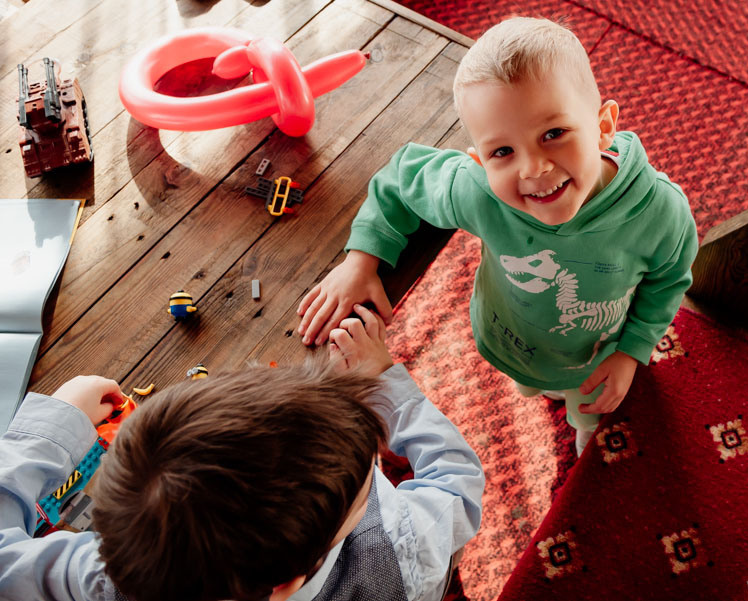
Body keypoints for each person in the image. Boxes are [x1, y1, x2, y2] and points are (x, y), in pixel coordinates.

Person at [296, 17, 698, 455]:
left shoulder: (661, 212)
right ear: (480, 162)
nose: (533, 169)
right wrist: (361, 258)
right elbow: (401, 178)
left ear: (604, 126)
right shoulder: (478, 189)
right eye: (502, 152)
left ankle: (583, 427)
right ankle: (542, 388)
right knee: (531, 383)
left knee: (590, 408)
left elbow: (668, 281)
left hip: (601, 355)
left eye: (554, 134)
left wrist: (632, 351)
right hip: (511, 338)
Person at [0, 305, 484, 601]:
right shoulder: (401, 552)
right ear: (289, 582)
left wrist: (55, 427)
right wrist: (385, 385)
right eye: (364, 484)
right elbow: (457, 481)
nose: (371, 482)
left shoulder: (104, 583)